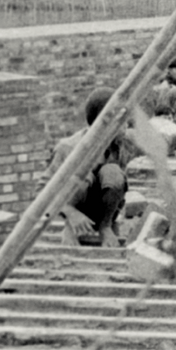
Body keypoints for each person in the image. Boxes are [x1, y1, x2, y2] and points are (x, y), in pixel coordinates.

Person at [48, 88, 146, 247]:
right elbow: (44, 192)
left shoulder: (124, 142)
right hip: (76, 209)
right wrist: (70, 213)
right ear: (105, 122)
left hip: (106, 212)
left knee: (112, 172)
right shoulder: (68, 148)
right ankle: (71, 230)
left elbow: (163, 142)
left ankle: (105, 227)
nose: (127, 124)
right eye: (121, 119)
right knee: (81, 174)